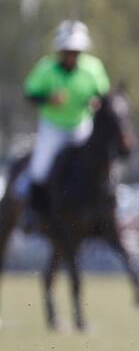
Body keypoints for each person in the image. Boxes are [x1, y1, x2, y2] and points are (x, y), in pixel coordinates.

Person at [12, 20, 111, 212]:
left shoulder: (93, 68)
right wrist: (48, 99)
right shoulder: (45, 68)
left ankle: (102, 210)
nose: (72, 56)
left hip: (82, 125)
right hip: (53, 126)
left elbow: (104, 95)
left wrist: (96, 102)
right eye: (68, 51)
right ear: (60, 51)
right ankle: (35, 210)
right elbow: (30, 94)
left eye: (76, 51)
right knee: (40, 168)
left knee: (98, 167)